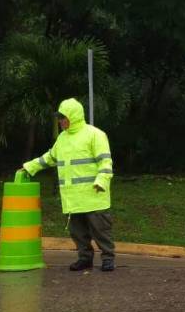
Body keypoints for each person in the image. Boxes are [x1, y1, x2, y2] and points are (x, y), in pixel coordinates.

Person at [22, 98, 116, 272]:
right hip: (73, 198)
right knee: (78, 232)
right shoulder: (62, 139)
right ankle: (85, 258)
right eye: (59, 118)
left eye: (63, 117)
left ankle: (108, 258)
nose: (60, 121)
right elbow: (50, 157)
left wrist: (101, 182)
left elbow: (105, 162)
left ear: (73, 116)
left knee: (101, 230)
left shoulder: (95, 134)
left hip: (94, 195)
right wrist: (29, 167)